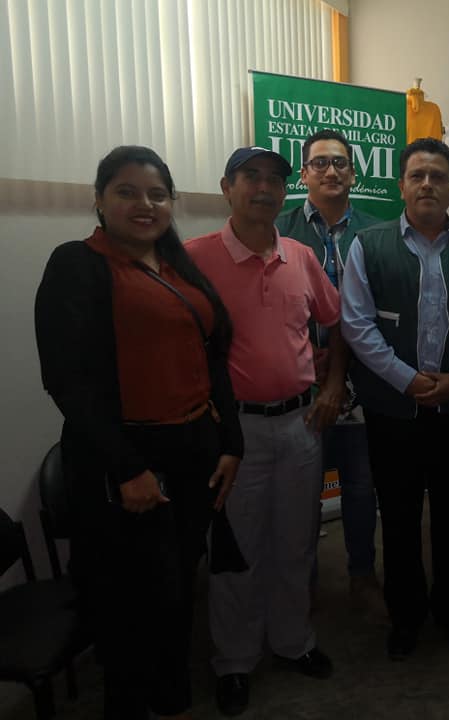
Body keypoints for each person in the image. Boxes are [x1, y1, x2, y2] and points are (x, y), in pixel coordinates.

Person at [35, 146, 243, 720]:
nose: (144, 205)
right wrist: (127, 468)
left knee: (176, 590)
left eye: (157, 194)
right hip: (124, 460)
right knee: (127, 602)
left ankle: (170, 698)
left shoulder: (177, 264)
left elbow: (213, 358)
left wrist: (231, 444)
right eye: (126, 192)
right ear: (99, 200)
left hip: (194, 452)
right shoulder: (77, 264)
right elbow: (66, 381)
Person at [187, 147, 342, 717]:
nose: (264, 187)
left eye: (275, 179)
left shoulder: (301, 256)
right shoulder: (193, 259)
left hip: (301, 424)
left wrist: (332, 386)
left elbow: (336, 323)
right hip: (235, 434)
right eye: (250, 176)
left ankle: (293, 641)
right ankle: (233, 660)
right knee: (237, 550)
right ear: (226, 187)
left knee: (296, 543)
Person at [340, 137, 449, 661]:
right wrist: (406, 380)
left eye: (438, 176)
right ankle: (405, 616)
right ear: (401, 185)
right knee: (399, 519)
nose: (427, 184)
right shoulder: (368, 244)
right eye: (417, 175)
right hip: (393, 411)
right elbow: (357, 325)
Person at [276, 130, 385, 615]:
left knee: (361, 488)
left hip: (363, 383)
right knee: (301, 494)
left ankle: (362, 575)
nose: (331, 171)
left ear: (353, 174)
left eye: (340, 162)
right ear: (303, 174)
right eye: (319, 163)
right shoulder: (277, 230)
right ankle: (303, 583)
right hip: (299, 382)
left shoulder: (377, 232)